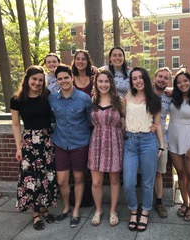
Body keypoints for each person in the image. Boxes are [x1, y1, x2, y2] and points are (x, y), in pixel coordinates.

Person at [10, 65, 58, 231]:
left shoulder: (46, 95)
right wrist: (18, 148)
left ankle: (44, 208)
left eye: (40, 80)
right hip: (29, 142)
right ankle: (35, 214)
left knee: (46, 176)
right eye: (34, 79)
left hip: (46, 142)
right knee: (30, 178)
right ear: (27, 79)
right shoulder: (17, 99)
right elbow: (16, 124)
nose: (37, 83)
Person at [48, 64, 91, 228]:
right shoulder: (52, 98)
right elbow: (52, 118)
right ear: (57, 81)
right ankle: (66, 207)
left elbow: (90, 119)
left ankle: (76, 210)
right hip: (60, 143)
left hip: (80, 143)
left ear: (72, 78)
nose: (63, 81)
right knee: (62, 180)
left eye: (66, 77)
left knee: (79, 178)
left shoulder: (84, 98)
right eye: (60, 79)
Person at [123, 67, 164, 232]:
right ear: (131, 81)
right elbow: (123, 117)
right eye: (134, 78)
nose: (138, 81)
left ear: (146, 79)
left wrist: (161, 145)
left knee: (147, 182)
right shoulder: (127, 97)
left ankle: (145, 211)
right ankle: (133, 210)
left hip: (148, 142)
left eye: (140, 77)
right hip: (130, 143)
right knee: (129, 182)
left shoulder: (154, 99)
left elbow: (158, 123)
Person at [88, 69, 125, 226]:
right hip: (96, 143)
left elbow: (125, 121)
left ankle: (113, 211)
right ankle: (98, 210)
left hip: (114, 143)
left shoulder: (120, 101)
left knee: (114, 180)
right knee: (96, 182)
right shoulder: (92, 101)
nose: (103, 84)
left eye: (106, 81)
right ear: (96, 83)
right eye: (100, 81)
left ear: (111, 83)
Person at [167, 70, 190, 222]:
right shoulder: (173, 99)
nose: (182, 84)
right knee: (180, 173)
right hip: (173, 140)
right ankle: (184, 202)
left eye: (185, 81)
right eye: (178, 82)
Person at [152, 67, 172, 218]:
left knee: (159, 173)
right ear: (154, 77)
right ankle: (143, 202)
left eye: (166, 78)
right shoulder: (144, 92)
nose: (162, 79)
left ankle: (159, 202)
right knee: (143, 173)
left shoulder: (170, 97)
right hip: (143, 138)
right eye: (160, 76)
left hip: (162, 139)